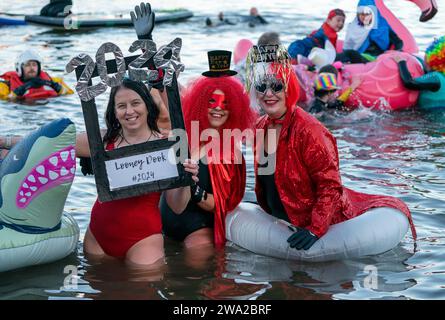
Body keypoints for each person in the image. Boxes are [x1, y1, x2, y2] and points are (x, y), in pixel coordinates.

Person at [0, 78, 199, 265]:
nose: (129, 111)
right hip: (97, 236)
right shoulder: (102, 141)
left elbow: (178, 206)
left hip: (143, 240)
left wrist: (188, 181)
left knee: (144, 290)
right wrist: (6, 141)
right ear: (114, 112)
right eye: (121, 106)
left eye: (135, 103)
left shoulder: (168, 147)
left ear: (147, 105)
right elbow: (46, 145)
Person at [245, 45, 416, 250]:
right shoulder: (262, 126)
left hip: (316, 220)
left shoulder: (310, 130)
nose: (268, 93)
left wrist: (315, 229)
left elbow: (330, 186)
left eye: (276, 86)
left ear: (288, 87)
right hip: (280, 217)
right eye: (262, 87)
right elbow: (268, 175)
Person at [161, 50, 257, 249]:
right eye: (211, 101)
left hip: (197, 228)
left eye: (225, 103)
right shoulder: (183, 133)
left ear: (234, 109)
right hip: (165, 223)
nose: (218, 108)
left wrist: (193, 187)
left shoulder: (232, 154)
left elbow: (222, 204)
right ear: (200, 104)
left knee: (196, 267)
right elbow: (169, 96)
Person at [393, 36, 445, 110]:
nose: (424, 60)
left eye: (426, 57)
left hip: (431, 116)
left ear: (433, 59)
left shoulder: (435, 77)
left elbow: (409, 83)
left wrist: (401, 62)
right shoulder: (441, 76)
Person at [0, 49, 72, 100]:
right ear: (20, 68)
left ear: (39, 67)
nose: (31, 68)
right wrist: (23, 88)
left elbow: (70, 94)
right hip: (21, 111)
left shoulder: (53, 81)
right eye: (27, 65)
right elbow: (6, 101)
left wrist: (53, 85)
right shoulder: (6, 85)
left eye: (34, 65)